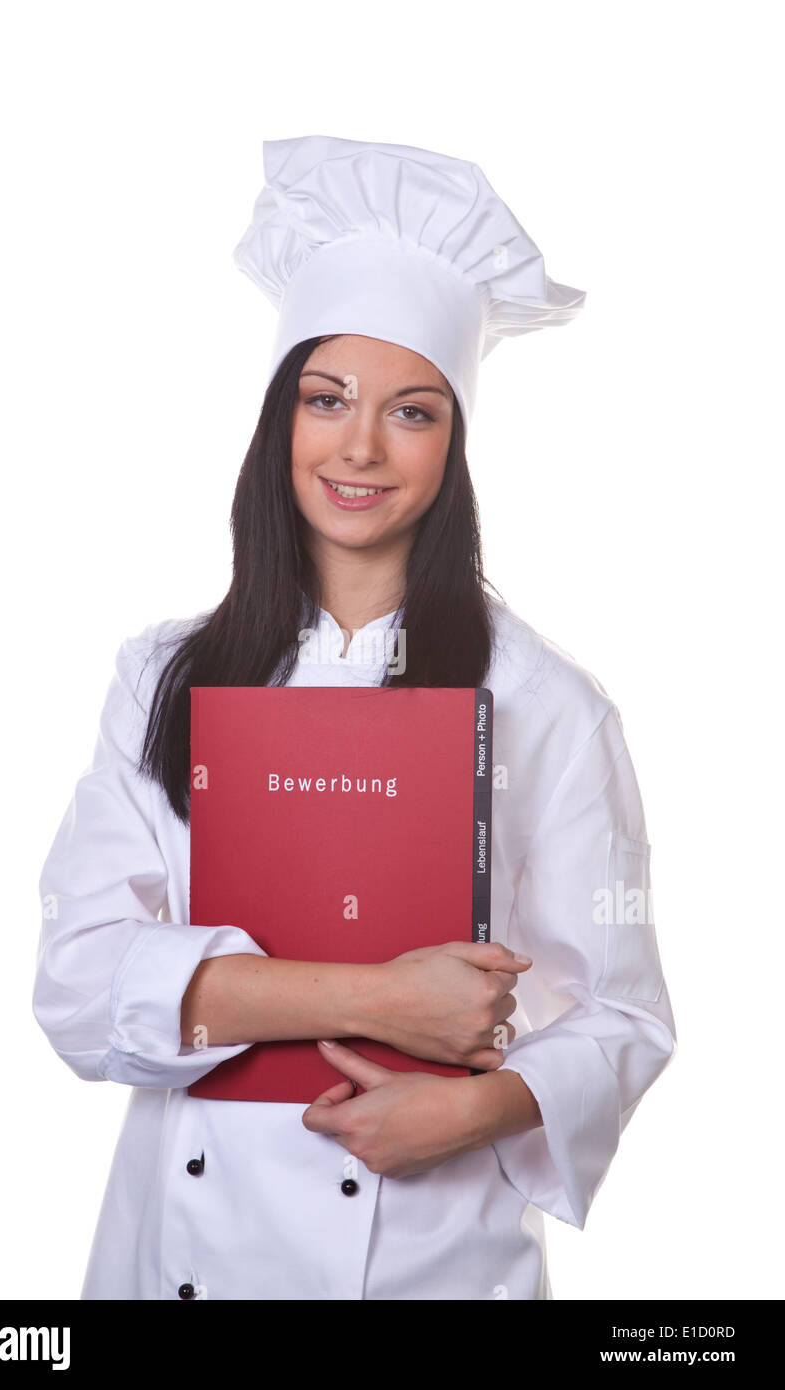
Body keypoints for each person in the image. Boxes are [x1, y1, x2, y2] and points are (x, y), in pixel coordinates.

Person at [33, 135, 676, 1301]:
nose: (361, 448)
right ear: (280, 417)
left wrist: (473, 1107)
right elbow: (78, 989)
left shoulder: (546, 706)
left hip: (426, 1256)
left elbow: (623, 1014)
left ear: (456, 443)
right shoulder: (161, 676)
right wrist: (383, 1000)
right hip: (174, 1256)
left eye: (413, 412)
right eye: (326, 399)